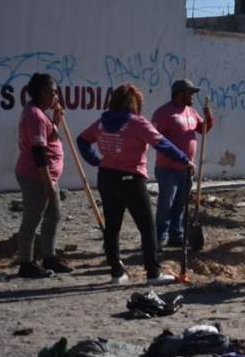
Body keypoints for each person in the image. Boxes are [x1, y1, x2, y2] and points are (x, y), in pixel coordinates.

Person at [77, 84, 192, 285]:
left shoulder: (102, 122)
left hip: (106, 177)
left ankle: (116, 272)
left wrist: (96, 160)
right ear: (134, 103)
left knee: (112, 227)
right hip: (131, 178)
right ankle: (153, 273)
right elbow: (162, 143)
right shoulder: (137, 123)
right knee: (147, 227)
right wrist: (184, 159)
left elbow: (82, 140)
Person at [13, 73, 73, 278]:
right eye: (51, 91)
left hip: (47, 176)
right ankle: (26, 263)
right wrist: (47, 182)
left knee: (53, 216)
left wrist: (56, 120)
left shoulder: (40, 113)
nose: (55, 95)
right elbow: (39, 152)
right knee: (32, 219)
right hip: (36, 175)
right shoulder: (35, 115)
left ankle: (49, 257)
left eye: (56, 91)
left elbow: (51, 138)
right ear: (40, 92)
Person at [151, 80, 214, 250]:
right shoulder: (163, 113)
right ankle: (160, 237)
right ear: (180, 93)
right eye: (190, 93)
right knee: (166, 203)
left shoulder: (192, 112)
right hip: (167, 168)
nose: (193, 96)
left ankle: (176, 234)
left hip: (187, 168)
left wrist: (208, 117)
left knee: (180, 204)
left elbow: (203, 129)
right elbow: (155, 139)